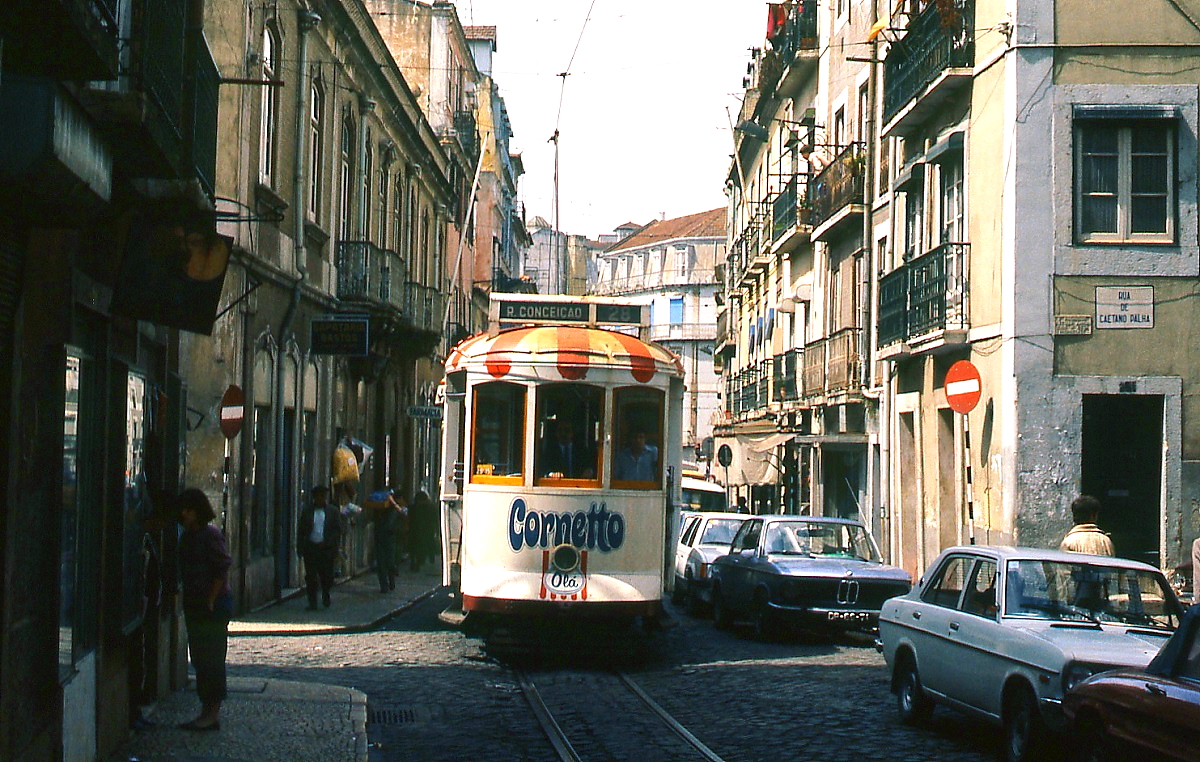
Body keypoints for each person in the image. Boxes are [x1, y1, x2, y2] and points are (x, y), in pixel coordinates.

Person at [176, 488, 232, 732]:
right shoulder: (187, 537)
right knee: (199, 658)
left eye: (186, 510)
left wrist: (210, 600)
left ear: (196, 511)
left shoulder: (210, 535)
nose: (183, 515)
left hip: (212, 608)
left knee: (211, 659)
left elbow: (221, 569)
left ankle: (212, 713)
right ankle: (206, 710)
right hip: (195, 606)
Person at [297, 485, 342, 609]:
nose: (320, 499)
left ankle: (326, 594)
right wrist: (300, 547)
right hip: (311, 548)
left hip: (326, 550)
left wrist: (331, 544)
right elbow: (301, 530)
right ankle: (312, 603)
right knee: (311, 576)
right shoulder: (307, 511)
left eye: (323, 496)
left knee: (326, 576)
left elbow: (337, 531)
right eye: (318, 497)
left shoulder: (332, 512)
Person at [366, 487, 405, 593]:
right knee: (383, 563)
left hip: (388, 537)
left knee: (388, 562)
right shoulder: (384, 511)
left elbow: (403, 514)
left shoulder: (393, 510)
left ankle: (389, 583)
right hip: (383, 537)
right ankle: (385, 585)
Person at [408, 488, 437, 572]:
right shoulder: (431, 507)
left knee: (415, 548)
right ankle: (421, 560)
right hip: (425, 530)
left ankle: (416, 562)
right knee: (422, 546)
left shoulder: (413, 507)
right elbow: (434, 519)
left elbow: (410, 518)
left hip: (416, 530)